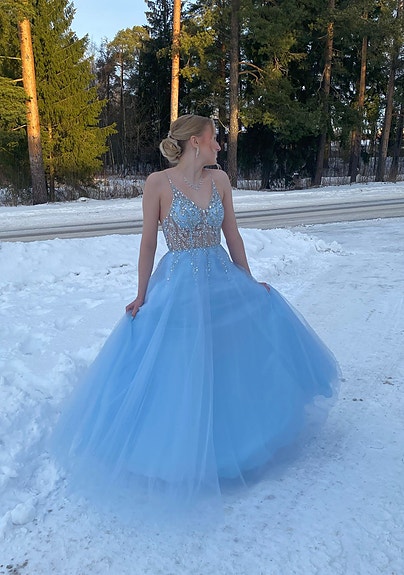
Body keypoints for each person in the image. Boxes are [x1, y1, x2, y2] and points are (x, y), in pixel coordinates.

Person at [51, 114, 340, 522]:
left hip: (221, 278)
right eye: (214, 139)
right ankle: (173, 452)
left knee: (228, 358)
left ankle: (236, 447)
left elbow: (232, 234)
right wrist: (141, 293)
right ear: (195, 143)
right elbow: (148, 243)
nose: (219, 145)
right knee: (180, 365)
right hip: (179, 285)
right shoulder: (157, 183)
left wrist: (248, 281)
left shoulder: (219, 181)